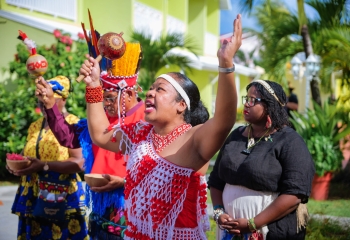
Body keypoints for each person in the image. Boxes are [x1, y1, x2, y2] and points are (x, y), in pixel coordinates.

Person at [39, 14, 242, 240]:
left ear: (181, 105)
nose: (150, 92)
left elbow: (224, 120)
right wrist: (95, 84)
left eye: (160, 89)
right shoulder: (140, 135)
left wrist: (226, 65)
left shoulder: (193, 139)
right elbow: (98, 135)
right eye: (151, 88)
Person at [36, 42, 145, 239]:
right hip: (100, 209)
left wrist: (125, 181)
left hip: (133, 210)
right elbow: (69, 137)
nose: (106, 104)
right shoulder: (102, 119)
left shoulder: (147, 119)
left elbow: (161, 167)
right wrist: (51, 104)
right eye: (103, 99)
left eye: (110, 98)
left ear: (128, 93)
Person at [208, 79, 315, 240]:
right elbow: (216, 181)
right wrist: (219, 212)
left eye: (253, 100)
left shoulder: (290, 142)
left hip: (269, 230)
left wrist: (253, 223)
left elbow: (295, 193)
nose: (247, 104)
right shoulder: (236, 136)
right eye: (246, 99)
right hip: (230, 232)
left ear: (271, 105)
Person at [8, 76, 88, 240]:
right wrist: (19, 166)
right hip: (32, 196)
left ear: (64, 99)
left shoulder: (73, 123)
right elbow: (28, 157)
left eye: (49, 98)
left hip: (61, 196)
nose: (43, 102)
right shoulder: (35, 126)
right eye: (40, 99)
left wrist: (44, 166)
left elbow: (80, 162)